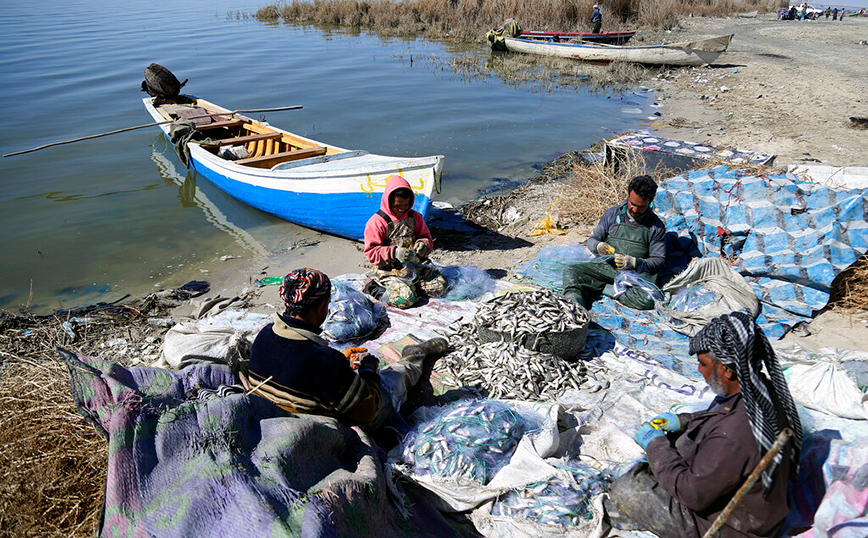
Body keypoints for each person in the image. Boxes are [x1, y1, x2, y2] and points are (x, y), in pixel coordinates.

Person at [606, 311, 803, 538]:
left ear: (727, 369)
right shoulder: (758, 390)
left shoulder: (734, 434)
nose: (699, 371)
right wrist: (684, 420)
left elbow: (693, 495)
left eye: (703, 364)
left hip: (729, 527)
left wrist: (655, 444)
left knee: (627, 489)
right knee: (679, 441)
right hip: (744, 499)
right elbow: (722, 413)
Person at [246, 267, 447, 432]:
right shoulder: (324, 361)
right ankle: (416, 356)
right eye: (327, 304)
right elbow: (368, 410)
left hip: (275, 416)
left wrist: (340, 362)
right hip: (317, 428)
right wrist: (368, 371)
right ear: (319, 307)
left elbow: (293, 366)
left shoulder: (264, 334)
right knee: (390, 381)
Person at [562, 175, 666, 310]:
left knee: (647, 300)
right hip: (606, 268)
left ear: (650, 201)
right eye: (632, 204)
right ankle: (575, 308)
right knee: (571, 272)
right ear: (628, 195)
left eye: (641, 207)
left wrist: (635, 262)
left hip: (635, 275)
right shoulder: (612, 214)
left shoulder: (656, 226)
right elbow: (592, 240)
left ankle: (604, 288)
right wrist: (598, 246)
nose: (634, 210)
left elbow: (659, 261)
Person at [364, 174, 447, 309]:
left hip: (415, 266)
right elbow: (371, 253)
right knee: (405, 300)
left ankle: (413, 286)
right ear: (388, 201)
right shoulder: (377, 222)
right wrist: (395, 252)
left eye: (405, 205)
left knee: (439, 288)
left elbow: (427, 238)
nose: (401, 209)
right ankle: (372, 287)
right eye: (397, 206)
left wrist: (423, 245)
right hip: (390, 270)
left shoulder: (415, 217)